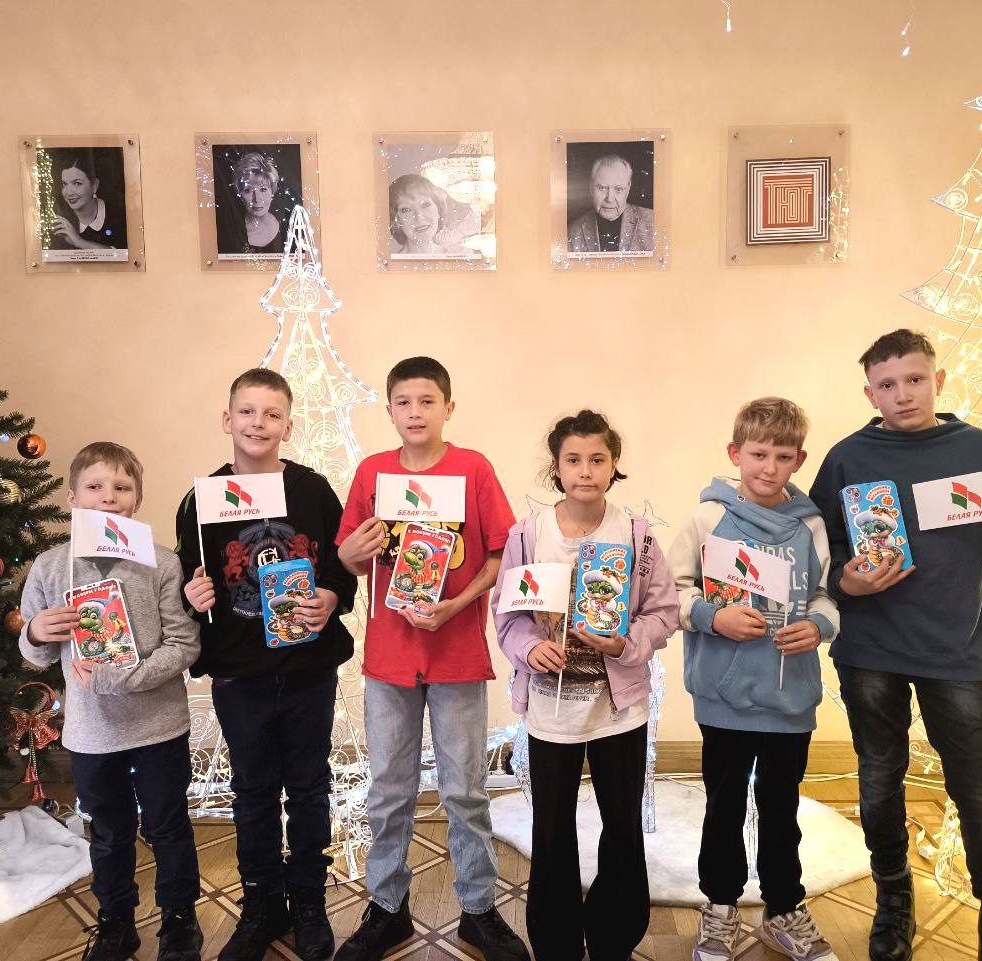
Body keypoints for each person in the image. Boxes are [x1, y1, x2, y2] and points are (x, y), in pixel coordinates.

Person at [808, 329, 982, 961]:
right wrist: (846, 581)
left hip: (955, 648)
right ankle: (894, 898)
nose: (903, 394)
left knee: (978, 787)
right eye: (887, 385)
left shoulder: (981, 450)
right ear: (870, 393)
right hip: (870, 650)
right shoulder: (846, 459)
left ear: (938, 381)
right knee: (879, 779)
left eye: (915, 380)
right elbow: (817, 555)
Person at [335, 357, 527, 961]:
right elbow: (348, 559)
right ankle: (387, 908)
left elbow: (501, 553)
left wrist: (457, 605)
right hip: (390, 657)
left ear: (448, 407)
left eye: (427, 401)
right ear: (389, 410)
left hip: (456, 653)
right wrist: (351, 550)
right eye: (403, 402)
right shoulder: (372, 473)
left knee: (465, 790)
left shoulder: (473, 469)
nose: (415, 413)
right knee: (388, 792)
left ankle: (478, 910)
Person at [177, 368, 358, 961]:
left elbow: (341, 567)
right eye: (247, 412)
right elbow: (188, 581)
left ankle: (308, 900)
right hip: (240, 673)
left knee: (308, 787)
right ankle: (261, 904)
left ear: (288, 425)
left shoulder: (312, 491)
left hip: (308, 668)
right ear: (227, 419)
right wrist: (193, 595)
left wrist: (332, 596)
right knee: (252, 791)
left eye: (272, 414)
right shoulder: (201, 499)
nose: (258, 423)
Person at [493, 410, 678, 961]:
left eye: (598, 459)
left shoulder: (635, 534)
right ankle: (556, 945)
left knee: (622, 827)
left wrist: (626, 643)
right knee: (551, 832)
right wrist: (530, 647)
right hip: (550, 715)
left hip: (619, 712)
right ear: (556, 467)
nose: (586, 470)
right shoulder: (529, 535)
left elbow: (663, 612)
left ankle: (613, 939)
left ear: (614, 465)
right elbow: (508, 615)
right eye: (573, 460)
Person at [668, 398, 839, 961]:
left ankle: (783, 908)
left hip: (790, 697)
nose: (769, 467)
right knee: (723, 808)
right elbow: (673, 591)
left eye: (783, 457)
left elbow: (825, 595)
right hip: (724, 696)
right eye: (758, 454)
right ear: (735, 453)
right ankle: (720, 907)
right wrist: (712, 617)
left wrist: (818, 626)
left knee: (781, 811)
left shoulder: (811, 524)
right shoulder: (706, 519)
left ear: (799, 460)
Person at [20, 442, 202, 961]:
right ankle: (116, 921)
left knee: (168, 826)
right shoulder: (50, 567)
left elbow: (184, 644)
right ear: (73, 498)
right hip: (92, 733)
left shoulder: (162, 563)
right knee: (108, 831)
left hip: (159, 727)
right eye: (95, 487)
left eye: (122, 488)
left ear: (137, 499)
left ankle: (179, 918)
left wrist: (122, 678)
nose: (108, 497)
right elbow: (35, 655)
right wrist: (35, 632)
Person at [567, 153, 655, 254]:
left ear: (628, 189)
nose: (609, 199)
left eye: (618, 189)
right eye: (602, 188)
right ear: (591, 188)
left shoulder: (653, 222)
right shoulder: (573, 232)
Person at [47, 149, 127, 252]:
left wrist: (79, 242)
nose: (69, 192)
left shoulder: (119, 217)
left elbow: (124, 256)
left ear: (94, 185)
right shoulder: (58, 220)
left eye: (77, 183)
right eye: (65, 184)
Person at [387, 174, 470, 256]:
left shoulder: (462, 255)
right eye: (406, 210)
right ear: (396, 222)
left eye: (425, 205)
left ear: (438, 210)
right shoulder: (391, 263)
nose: (419, 217)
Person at [223, 151, 285, 255]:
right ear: (240, 194)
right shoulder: (232, 233)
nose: (257, 199)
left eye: (263, 189)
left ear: (272, 191)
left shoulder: (287, 225)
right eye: (248, 190)